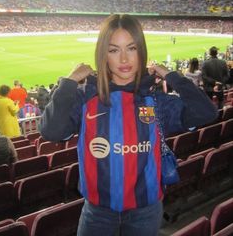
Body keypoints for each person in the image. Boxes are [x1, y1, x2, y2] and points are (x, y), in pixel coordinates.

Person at [40, 14, 217, 236]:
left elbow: (206, 112)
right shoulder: (86, 98)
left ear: (141, 51)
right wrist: (69, 82)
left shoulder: (156, 101)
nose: (124, 59)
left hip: (145, 211)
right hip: (98, 212)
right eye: (114, 50)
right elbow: (51, 130)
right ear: (103, 55)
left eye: (131, 48)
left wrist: (172, 75)